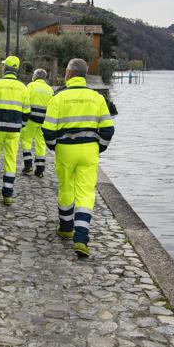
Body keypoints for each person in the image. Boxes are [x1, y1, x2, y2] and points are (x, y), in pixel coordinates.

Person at [42, 58, 115, 258]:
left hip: (65, 150)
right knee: (86, 193)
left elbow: (48, 130)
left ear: (69, 73)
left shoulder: (58, 98)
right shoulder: (97, 98)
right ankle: (81, 238)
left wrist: (54, 147)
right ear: (84, 74)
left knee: (66, 187)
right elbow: (108, 129)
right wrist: (99, 147)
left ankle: (66, 228)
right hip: (89, 150)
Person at [0, 56, 30, 205]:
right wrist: (21, 125)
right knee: (11, 160)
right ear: (17, 69)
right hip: (14, 130)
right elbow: (26, 112)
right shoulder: (23, 88)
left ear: (4, 68)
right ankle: (8, 195)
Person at [20, 68, 55, 178]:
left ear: (35, 77)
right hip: (43, 121)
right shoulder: (50, 90)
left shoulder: (30, 86)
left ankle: (28, 165)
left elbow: (24, 101)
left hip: (31, 119)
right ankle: (40, 170)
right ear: (45, 78)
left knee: (27, 140)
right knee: (41, 143)